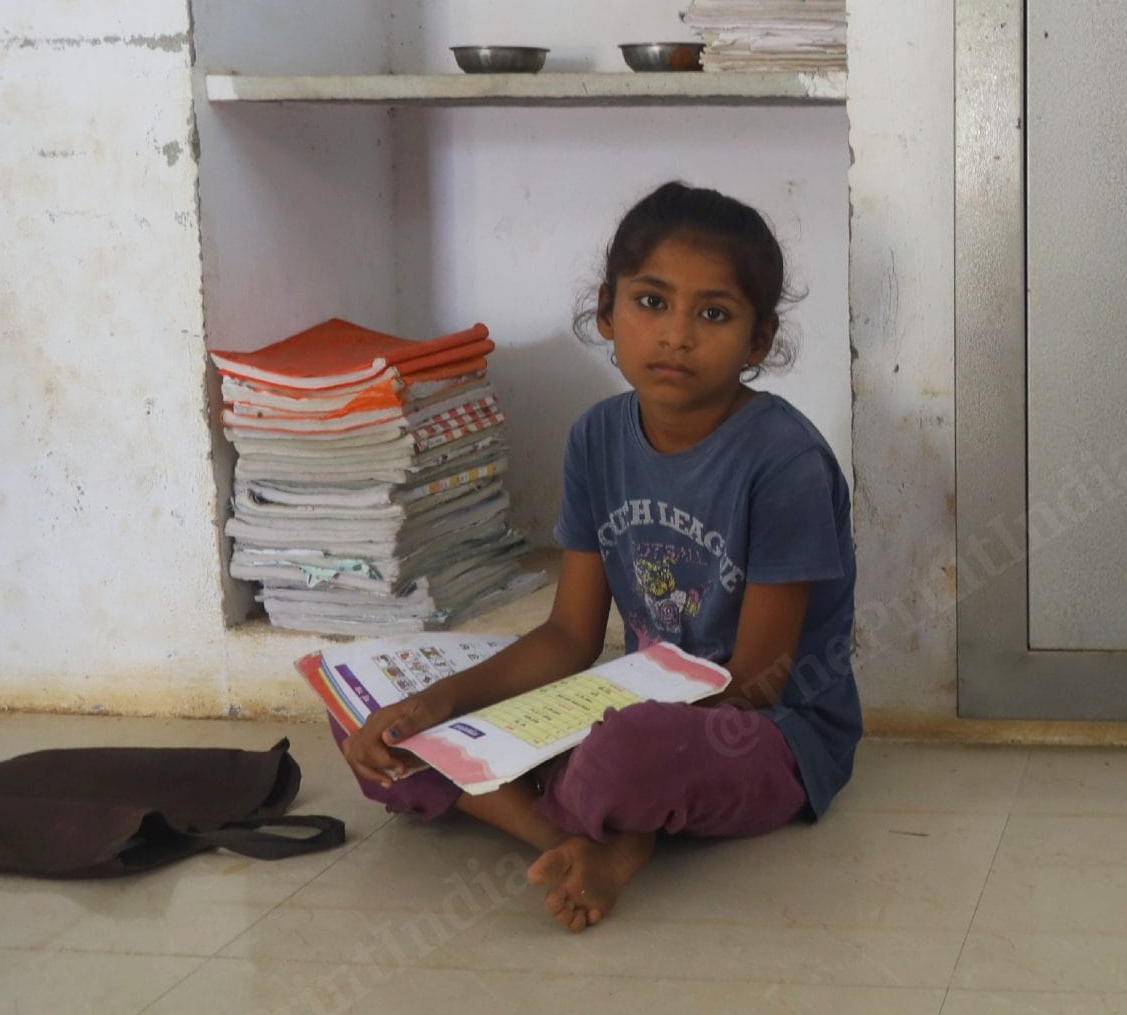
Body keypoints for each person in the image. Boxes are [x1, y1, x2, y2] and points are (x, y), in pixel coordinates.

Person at [337, 181, 860, 931]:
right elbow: (569, 636)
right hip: (630, 705)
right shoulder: (596, 438)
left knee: (626, 752)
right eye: (651, 302)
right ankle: (576, 840)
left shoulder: (783, 462)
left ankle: (575, 805)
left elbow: (758, 679)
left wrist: (585, 735)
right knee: (377, 718)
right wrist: (440, 703)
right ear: (607, 312)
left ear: (758, 341)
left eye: (713, 313)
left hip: (767, 732)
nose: (676, 335)